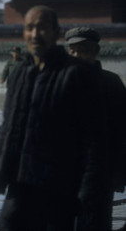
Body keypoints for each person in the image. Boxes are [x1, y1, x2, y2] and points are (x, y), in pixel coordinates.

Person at [0, 6, 104, 231]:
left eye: (42, 28)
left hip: (60, 187)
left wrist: (88, 194)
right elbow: (7, 129)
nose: (35, 35)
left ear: (56, 32)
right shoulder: (20, 73)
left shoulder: (76, 73)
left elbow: (93, 141)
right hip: (19, 184)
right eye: (29, 28)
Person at [65, 27, 126, 231]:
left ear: (94, 51)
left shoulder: (111, 83)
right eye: (72, 51)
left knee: (96, 223)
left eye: (81, 50)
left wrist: (119, 174)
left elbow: (122, 131)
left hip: (100, 173)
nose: (75, 55)